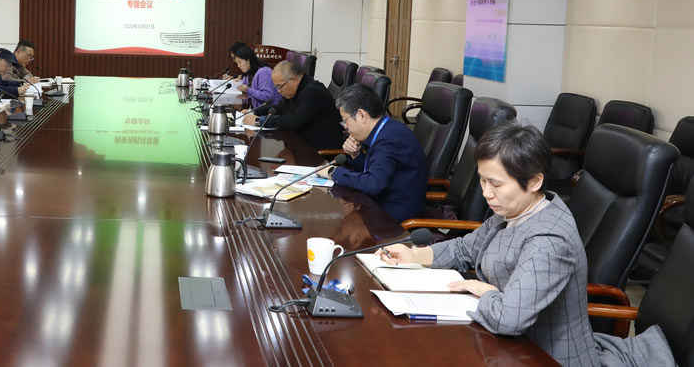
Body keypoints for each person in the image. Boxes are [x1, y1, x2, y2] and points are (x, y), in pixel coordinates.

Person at [377, 123, 676, 367]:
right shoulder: (513, 209)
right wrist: (415, 255)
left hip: (545, 356)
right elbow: (467, 248)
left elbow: (510, 319)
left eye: (496, 184)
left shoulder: (549, 240)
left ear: (534, 182)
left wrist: (485, 292)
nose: (486, 193)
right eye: (482, 181)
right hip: (508, 344)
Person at [315, 84, 426, 222]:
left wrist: (333, 172)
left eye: (345, 121)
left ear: (362, 115)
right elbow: (375, 172)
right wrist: (356, 155)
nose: (346, 128)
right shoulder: (386, 130)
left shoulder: (389, 140)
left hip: (393, 220)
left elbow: (373, 184)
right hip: (379, 205)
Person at [244, 61, 342, 149]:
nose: (278, 91)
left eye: (280, 86)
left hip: (317, 151)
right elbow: (279, 107)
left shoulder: (312, 92)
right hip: (301, 143)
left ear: (294, 79)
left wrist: (259, 121)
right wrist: (254, 112)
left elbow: (294, 121)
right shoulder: (295, 90)